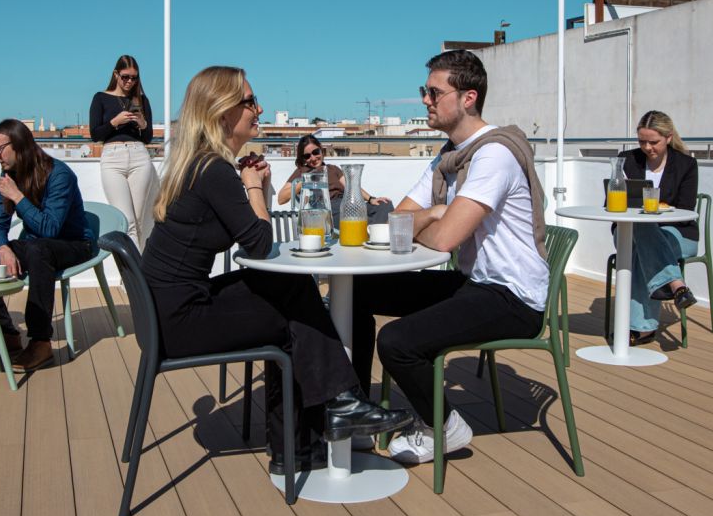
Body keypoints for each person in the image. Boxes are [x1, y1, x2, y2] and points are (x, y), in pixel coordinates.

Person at [141, 65, 413, 475]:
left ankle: (314, 431)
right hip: (180, 320)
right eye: (250, 101)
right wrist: (252, 185)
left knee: (286, 287)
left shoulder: (201, 165)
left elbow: (254, 232)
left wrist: (257, 186)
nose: (259, 109)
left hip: (166, 310)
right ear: (223, 111)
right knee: (293, 313)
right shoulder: (214, 171)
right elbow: (258, 242)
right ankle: (328, 418)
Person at [352, 49, 550, 464]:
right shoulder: (448, 158)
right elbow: (398, 219)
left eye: (434, 92)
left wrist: (430, 223)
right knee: (355, 291)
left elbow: (443, 241)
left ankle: (443, 426)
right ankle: (356, 411)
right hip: (474, 283)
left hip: (512, 297)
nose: (425, 100)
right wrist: (433, 214)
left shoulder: (494, 154)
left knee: (397, 341)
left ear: (468, 98)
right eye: (424, 91)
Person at [0, 119, 97, 372]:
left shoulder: (59, 174)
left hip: (73, 244)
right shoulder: (9, 177)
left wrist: (17, 196)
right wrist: (2, 249)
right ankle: (4, 334)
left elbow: (50, 229)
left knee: (38, 249)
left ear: (19, 145)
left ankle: (41, 342)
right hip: (35, 246)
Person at [617, 110, 699, 346]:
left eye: (653, 142)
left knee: (641, 247)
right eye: (642, 141)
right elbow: (610, 202)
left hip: (677, 234)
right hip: (629, 232)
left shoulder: (686, 164)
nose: (647, 147)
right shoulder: (627, 160)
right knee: (640, 230)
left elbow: (686, 209)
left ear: (668, 137)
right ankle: (676, 284)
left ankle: (642, 329)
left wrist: (655, 214)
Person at [90, 55, 158, 249]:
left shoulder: (141, 100)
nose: (129, 81)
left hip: (139, 156)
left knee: (139, 220)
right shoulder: (100, 98)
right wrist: (115, 122)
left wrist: (143, 124)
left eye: (134, 78)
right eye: (125, 77)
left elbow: (148, 138)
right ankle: (135, 268)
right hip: (112, 159)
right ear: (116, 74)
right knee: (126, 221)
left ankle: (138, 267)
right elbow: (95, 135)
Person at [275, 135, 393, 223]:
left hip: (346, 203)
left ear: (321, 150)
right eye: (307, 156)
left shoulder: (333, 169)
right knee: (360, 218)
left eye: (316, 152)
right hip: (327, 209)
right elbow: (281, 199)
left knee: (384, 205)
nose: (313, 158)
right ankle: (373, 232)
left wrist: (371, 199)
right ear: (303, 159)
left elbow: (352, 187)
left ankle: (374, 232)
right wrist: (305, 180)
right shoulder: (302, 171)